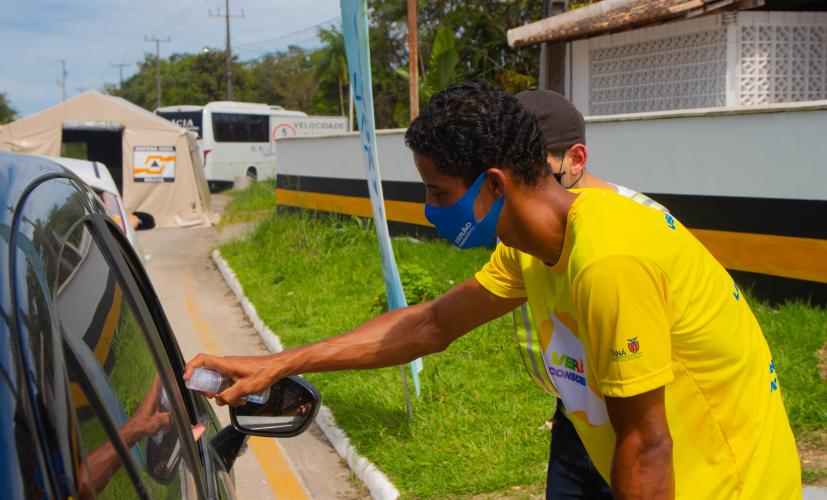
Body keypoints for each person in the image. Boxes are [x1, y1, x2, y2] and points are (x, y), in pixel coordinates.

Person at [186, 80, 800, 499]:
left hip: (725, 485)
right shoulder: (532, 244)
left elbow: (647, 444)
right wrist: (279, 364)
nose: (430, 209)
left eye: (439, 192)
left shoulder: (608, 259)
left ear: (495, 185)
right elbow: (431, 324)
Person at [513, 87, 672, 499]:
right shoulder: (527, 230)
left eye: (531, 171)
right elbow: (440, 320)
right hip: (575, 415)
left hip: (640, 418)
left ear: (576, 159)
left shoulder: (635, 230)